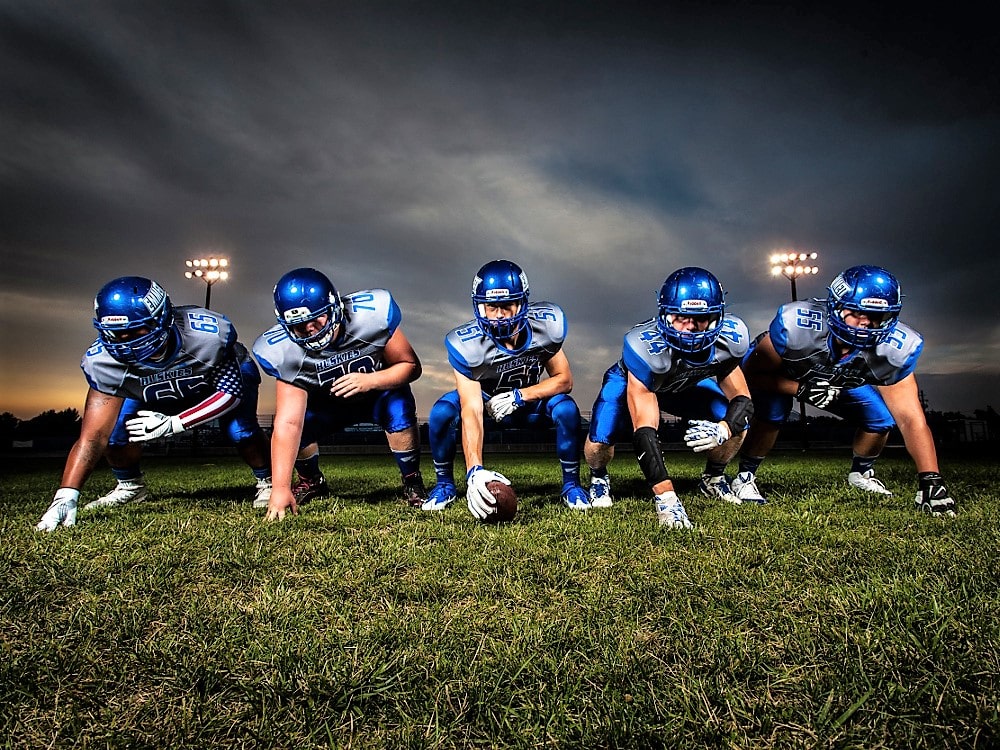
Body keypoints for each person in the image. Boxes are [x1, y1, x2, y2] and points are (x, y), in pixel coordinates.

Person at [36, 276, 272, 532]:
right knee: (116, 434)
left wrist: (175, 423)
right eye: (117, 334)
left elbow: (231, 394)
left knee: (241, 430)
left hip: (211, 384)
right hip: (152, 393)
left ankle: (267, 480)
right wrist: (67, 494)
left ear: (162, 318)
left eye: (137, 331)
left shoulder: (207, 336)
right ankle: (130, 486)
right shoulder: (102, 363)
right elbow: (93, 437)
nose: (127, 342)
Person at [734, 264, 957, 516]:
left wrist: (931, 480)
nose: (865, 324)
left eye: (876, 316)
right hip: (785, 375)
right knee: (773, 414)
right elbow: (751, 376)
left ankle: (861, 473)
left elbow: (911, 419)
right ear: (836, 308)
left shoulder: (894, 351)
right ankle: (745, 476)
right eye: (856, 312)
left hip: (839, 379)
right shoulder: (797, 328)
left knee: (880, 420)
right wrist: (800, 389)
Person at [583, 267, 756, 529]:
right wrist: (667, 499)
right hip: (634, 382)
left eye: (701, 318)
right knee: (600, 440)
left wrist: (724, 428)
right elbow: (645, 430)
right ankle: (598, 477)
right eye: (680, 317)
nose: (690, 327)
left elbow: (743, 400)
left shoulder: (731, 340)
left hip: (683, 385)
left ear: (717, 316)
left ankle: (713, 478)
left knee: (737, 422)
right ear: (664, 315)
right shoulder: (643, 348)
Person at [252, 267, 426, 521]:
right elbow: (289, 422)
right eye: (299, 326)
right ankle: (311, 480)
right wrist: (280, 488)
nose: (311, 329)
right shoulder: (282, 351)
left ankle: (411, 479)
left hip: (376, 394)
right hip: (327, 404)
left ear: (334, 307)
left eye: (317, 319)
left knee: (399, 407)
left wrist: (371, 380)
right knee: (297, 427)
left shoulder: (372, 316)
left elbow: (411, 366)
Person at [424, 259, 590, 518]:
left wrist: (520, 396)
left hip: (528, 401)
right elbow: (471, 407)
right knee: (442, 412)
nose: (499, 315)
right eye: (492, 307)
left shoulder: (543, 328)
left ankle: (571, 485)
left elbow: (564, 380)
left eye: (506, 306)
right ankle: (445, 484)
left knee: (567, 409)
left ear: (521, 304)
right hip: (486, 401)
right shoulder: (467, 345)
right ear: (480, 306)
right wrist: (475, 470)